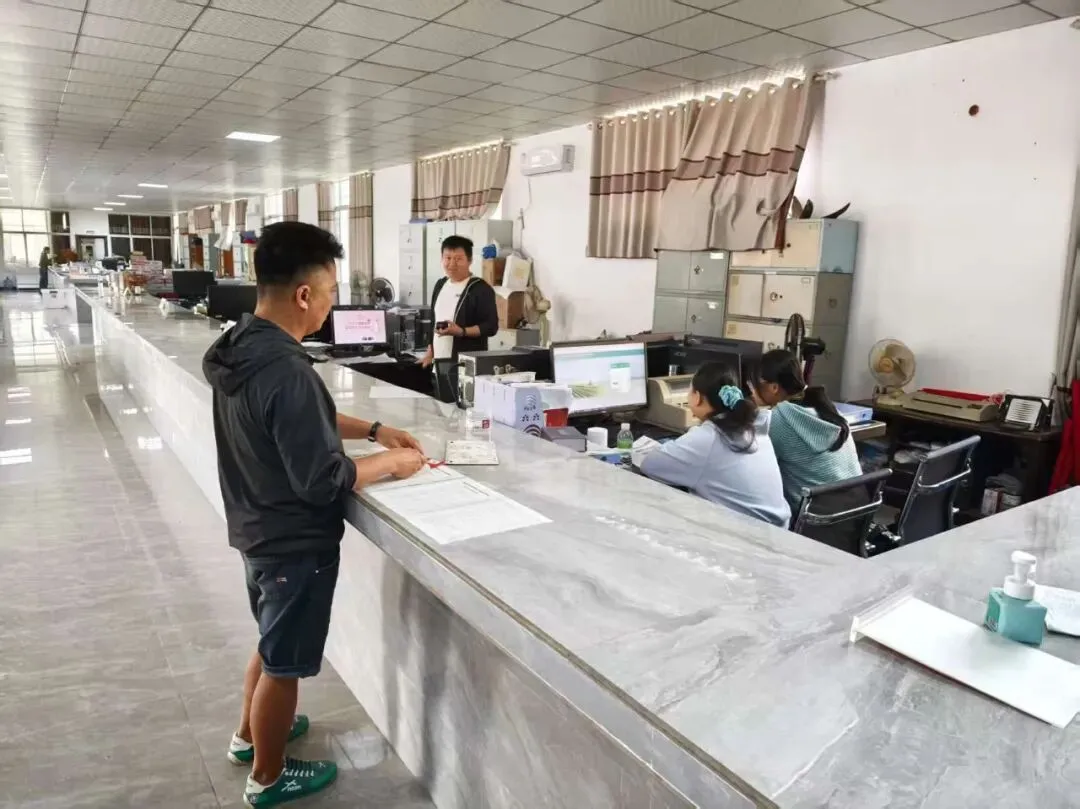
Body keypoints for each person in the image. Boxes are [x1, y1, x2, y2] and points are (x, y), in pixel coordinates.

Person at [202, 221, 425, 807]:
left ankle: (250, 737)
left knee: (271, 641)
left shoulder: (244, 344)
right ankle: (268, 777)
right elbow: (323, 478)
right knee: (283, 666)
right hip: (293, 542)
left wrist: (374, 429)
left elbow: (299, 419)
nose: (331, 304)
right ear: (304, 294)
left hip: (256, 526)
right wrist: (390, 463)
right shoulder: (287, 369)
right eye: (329, 291)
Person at [639, 361, 790, 527]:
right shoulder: (753, 427)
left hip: (746, 535)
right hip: (779, 530)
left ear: (697, 397)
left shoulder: (709, 438)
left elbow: (650, 465)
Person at [750, 349, 862, 512]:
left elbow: (754, 462)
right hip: (857, 509)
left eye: (754, 386)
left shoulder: (779, 418)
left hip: (815, 518)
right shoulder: (827, 407)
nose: (752, 392)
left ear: (774, 387)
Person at [419, 235, 499, 368]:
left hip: (465, 365)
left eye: (458, 259)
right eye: (448, 258)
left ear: (470, 260)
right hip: (438, 365)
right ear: (442, 258)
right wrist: (429, 353)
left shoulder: (480, 289)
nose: (452, 264)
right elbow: (433, 321)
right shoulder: (440, 285)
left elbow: (491, 327)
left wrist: (461, 331)